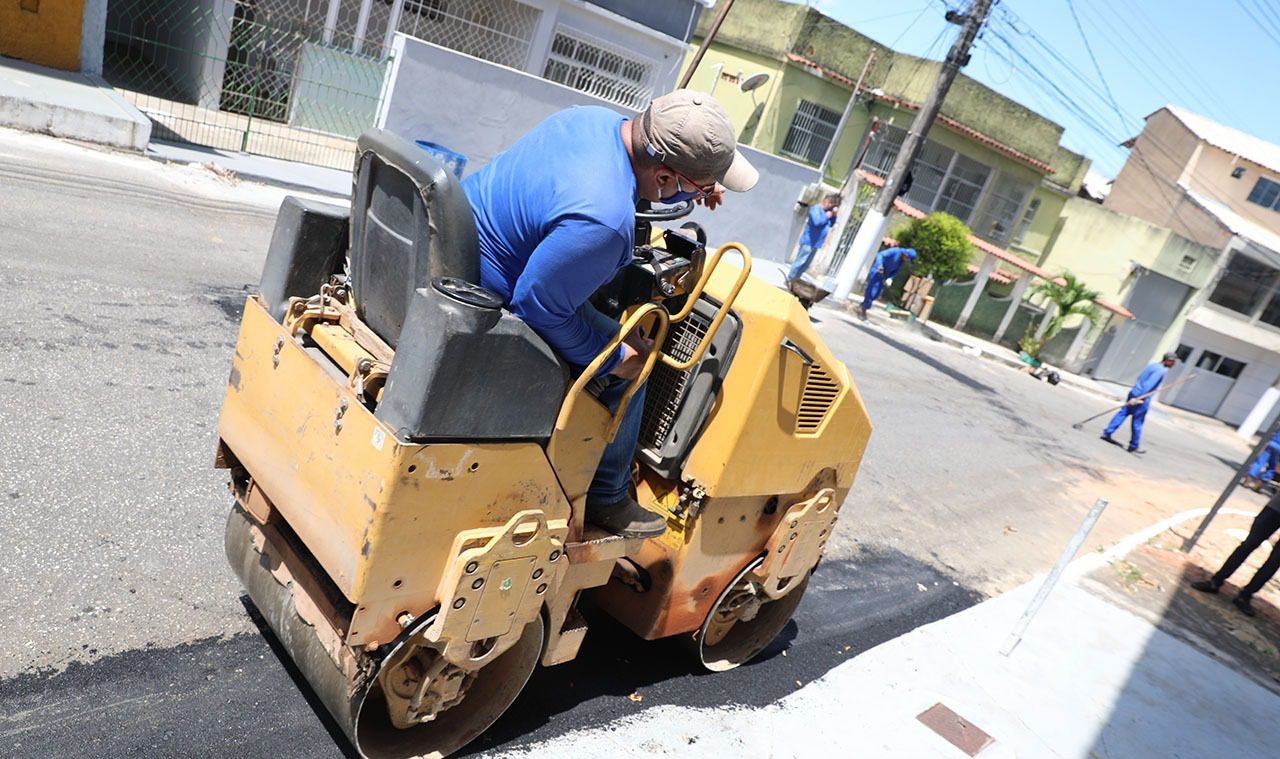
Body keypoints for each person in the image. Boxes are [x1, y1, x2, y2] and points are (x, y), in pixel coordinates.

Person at [462, 90, 758, 539]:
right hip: (491, 298)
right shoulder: (604, 223)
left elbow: (623, 178)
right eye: (692, 187)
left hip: (467, 247)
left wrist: (695, 182)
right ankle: (607, 494)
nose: (700, 195)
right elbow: (536, 306)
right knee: (637, 365)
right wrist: (616, 356)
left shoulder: (590, 119)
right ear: (663, 176)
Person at [1190, 495, 1280, 616]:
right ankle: (1216, 581)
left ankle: (1245, 596)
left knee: (1275, 561)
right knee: (1249, 544)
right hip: (1276, 508)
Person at [1101, 352, 1177, 454]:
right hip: (1142, 397)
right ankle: (1134, 445)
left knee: (1122, 413)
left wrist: (1135, 395)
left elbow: (1140, 378)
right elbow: (1148, 384)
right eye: (1173, 361)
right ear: (1169, 360)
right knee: (1137, 422)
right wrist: (1140, 398)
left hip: (1134, 392)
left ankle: (1107, 433)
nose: (1174, 364)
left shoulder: (1152, 365)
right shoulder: (1161, 371)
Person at [786, 194, 839, 283]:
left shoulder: (827, 212)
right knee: (800, 262)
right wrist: (827, 216)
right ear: (826, 201)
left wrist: (834, 215)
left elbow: (831, 224)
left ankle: (796, 280)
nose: (830, 207)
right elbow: (817, 222)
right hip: (808, 241)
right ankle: (790, 279)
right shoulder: (816, 209)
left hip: (816, 243)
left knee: (806, 264)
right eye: (830, 204)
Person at [856, 246, 917, 318]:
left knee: (876, 294)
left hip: (884, 276)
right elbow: (880, 254)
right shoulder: (895, 251)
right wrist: (879, 265)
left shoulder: (901, 261)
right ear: (906, 255)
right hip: (877, 271)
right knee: (872, 291)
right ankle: (863, 308)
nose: (906, 261)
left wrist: (890, 278)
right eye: (907, 259)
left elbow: (895, 271)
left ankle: (863, 306)